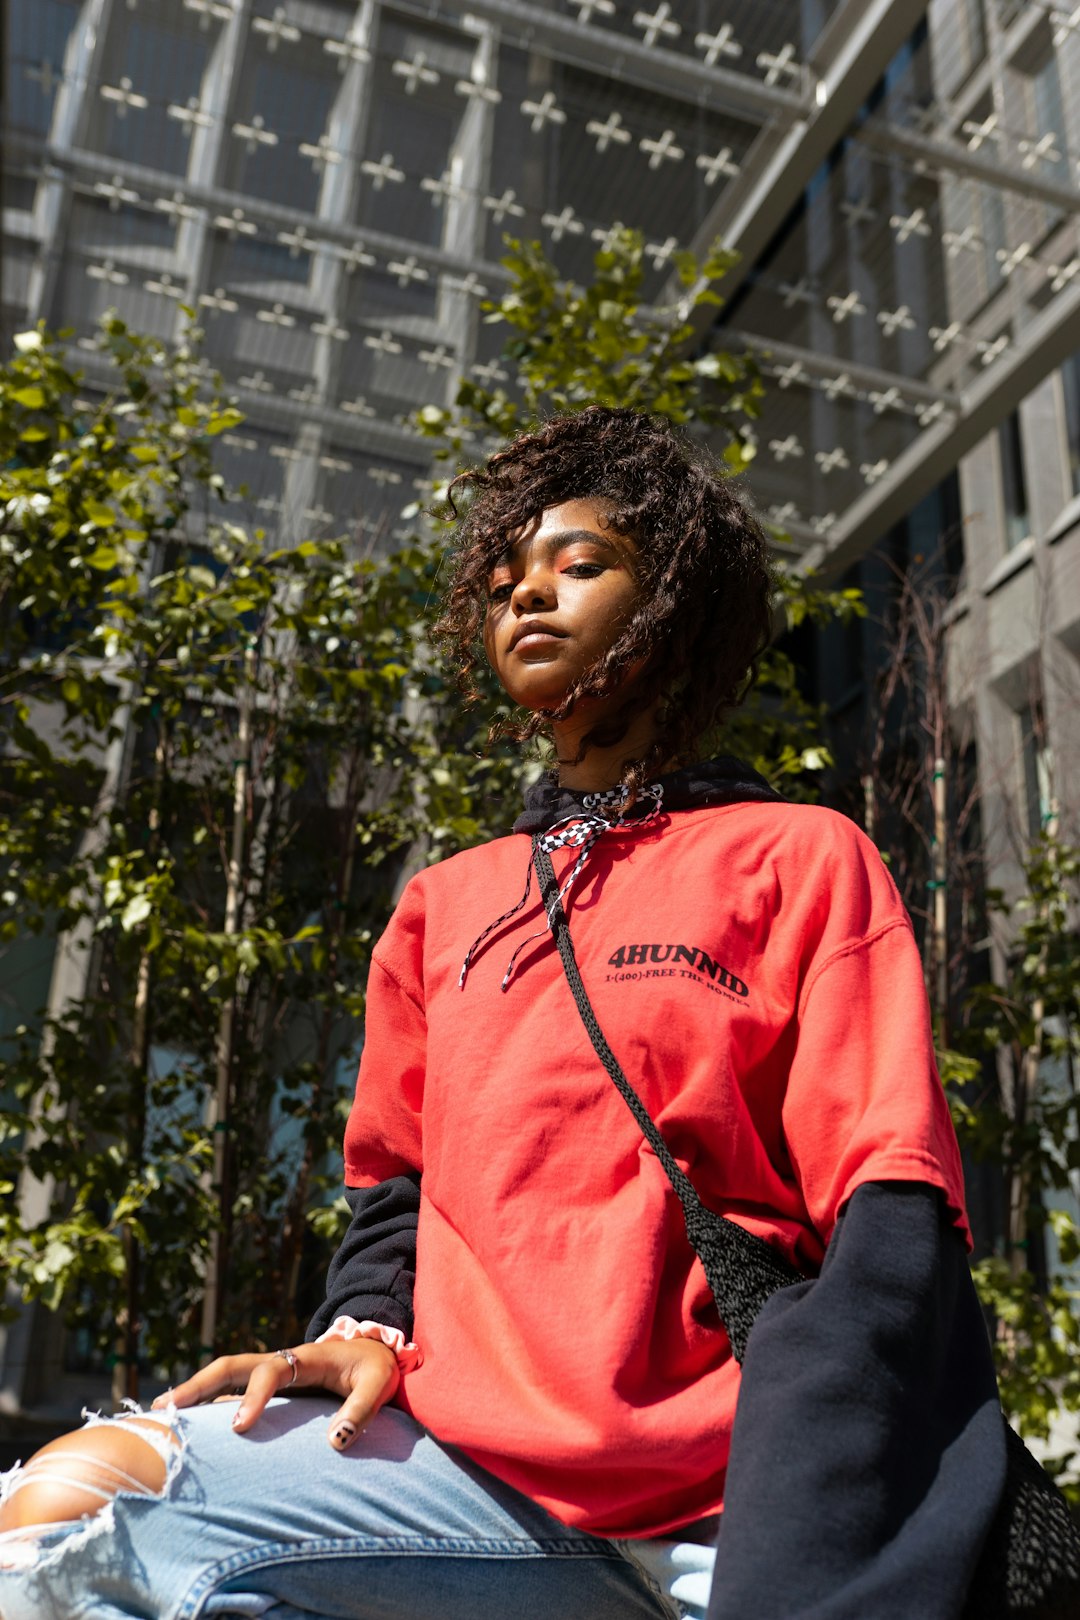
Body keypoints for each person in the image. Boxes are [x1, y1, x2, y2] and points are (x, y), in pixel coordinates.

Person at [0, 405, 1005, 1619]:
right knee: (79, 1517)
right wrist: (363, 1324)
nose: (528, 596)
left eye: (581, 567)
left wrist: (819, 1551)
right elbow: (397, 1195)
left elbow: (886, 1223)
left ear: (674, 605)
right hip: (465, 1481)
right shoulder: (445, 902)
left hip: (736, 1507)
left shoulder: (797, 857)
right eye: (503, 579)